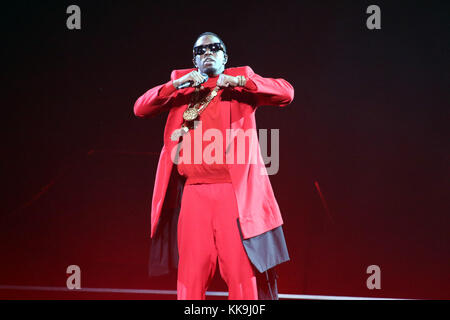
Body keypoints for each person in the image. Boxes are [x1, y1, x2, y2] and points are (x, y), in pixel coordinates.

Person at [133, 32, 294, 300]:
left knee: (242, 275)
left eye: (215, 48)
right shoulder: (182, 87)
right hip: (195, 195)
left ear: (225, 57)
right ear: (194, 60)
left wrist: (242, 81)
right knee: (190, 276)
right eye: (201, 50)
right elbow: (140, 108)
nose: (208, 52)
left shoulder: (240, 83)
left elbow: (286, 93)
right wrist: (175, 84)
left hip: (233, 195)